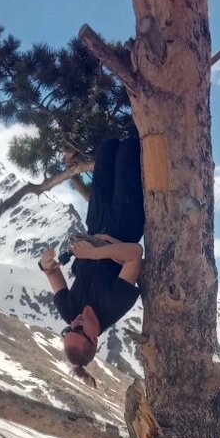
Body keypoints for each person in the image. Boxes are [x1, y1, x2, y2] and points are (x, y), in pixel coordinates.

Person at [40, 133, 145, 385]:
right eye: (78, 330)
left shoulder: (69, 311)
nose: (73, 323)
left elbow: (53, 275)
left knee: (107, 148)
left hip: (96, 222)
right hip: (125, 223)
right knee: (129, 149)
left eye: (67, 330)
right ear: (94, 339)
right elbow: (134, 257)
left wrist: (46, 264)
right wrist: (95, 253)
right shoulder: (114, 305)